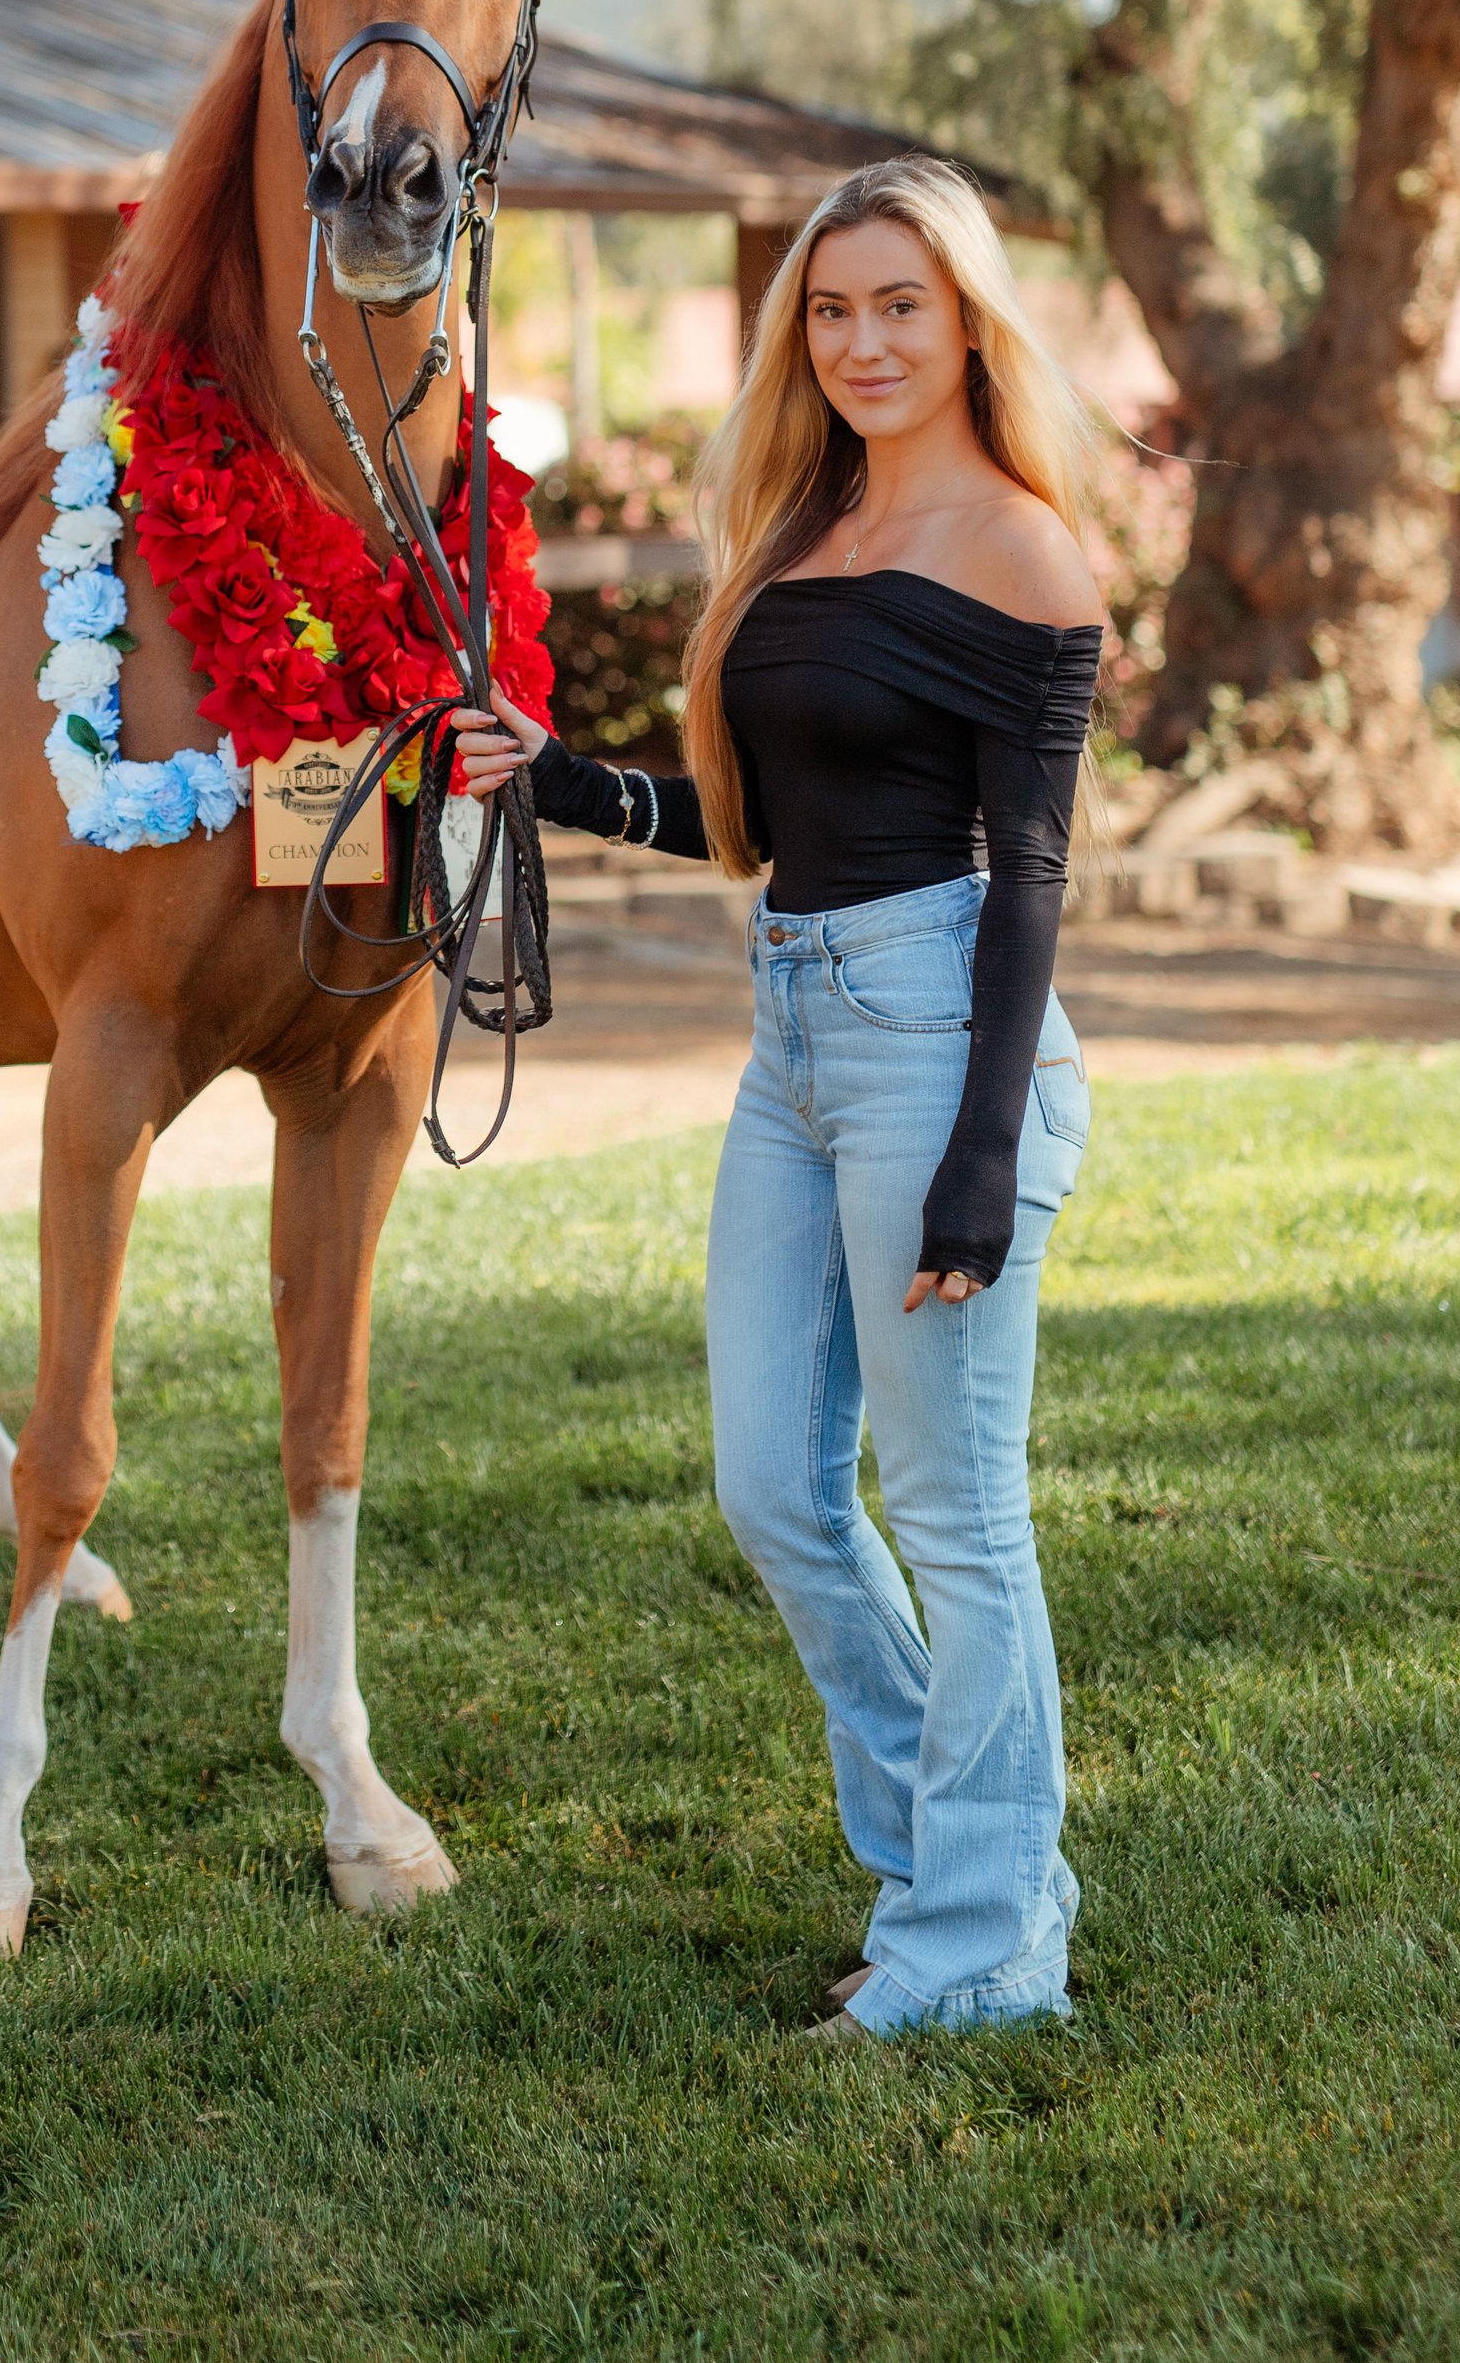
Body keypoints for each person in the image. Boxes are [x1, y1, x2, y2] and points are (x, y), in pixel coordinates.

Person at [454, 156, 1103, 2040]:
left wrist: (985, 1153)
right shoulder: (802, 528)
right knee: (773, 1488)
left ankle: (977, 1947)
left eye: (902, 303)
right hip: (797, 1035)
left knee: (961, 1515)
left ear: (969, 317)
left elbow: (1033, 877)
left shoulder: (1023, 550)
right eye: (833, 309)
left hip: (940, 1046)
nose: (865, 340)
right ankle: (968, 1863)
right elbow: (763, 830)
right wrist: (564, 779)